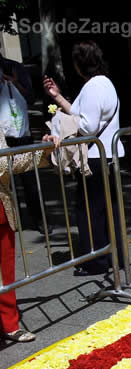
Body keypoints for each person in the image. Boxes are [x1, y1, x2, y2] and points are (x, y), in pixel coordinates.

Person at [43, 40, 126, 275]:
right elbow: (87, 116)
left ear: (79, 65)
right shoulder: (104, 84)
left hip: (94, 157)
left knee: (89, 210)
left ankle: (96, 261)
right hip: (109, 154)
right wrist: (58, 98)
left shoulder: (92, 87)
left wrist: (61, 123)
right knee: (110, 208)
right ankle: (116, 256)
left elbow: (87, 125)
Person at [0, 133, 59, 342]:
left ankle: (9, 325)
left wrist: (42, 150)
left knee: (5, 272)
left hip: (2, 208)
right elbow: (5, 163)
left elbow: (7, 162)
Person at [0, 47, 44, 233]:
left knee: (29, 179)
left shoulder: (15, 67)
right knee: (5, 181)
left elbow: (31, 98)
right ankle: (11, 220)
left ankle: (39, 220)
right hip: (3, 135)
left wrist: (15, 83)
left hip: (21, 134)